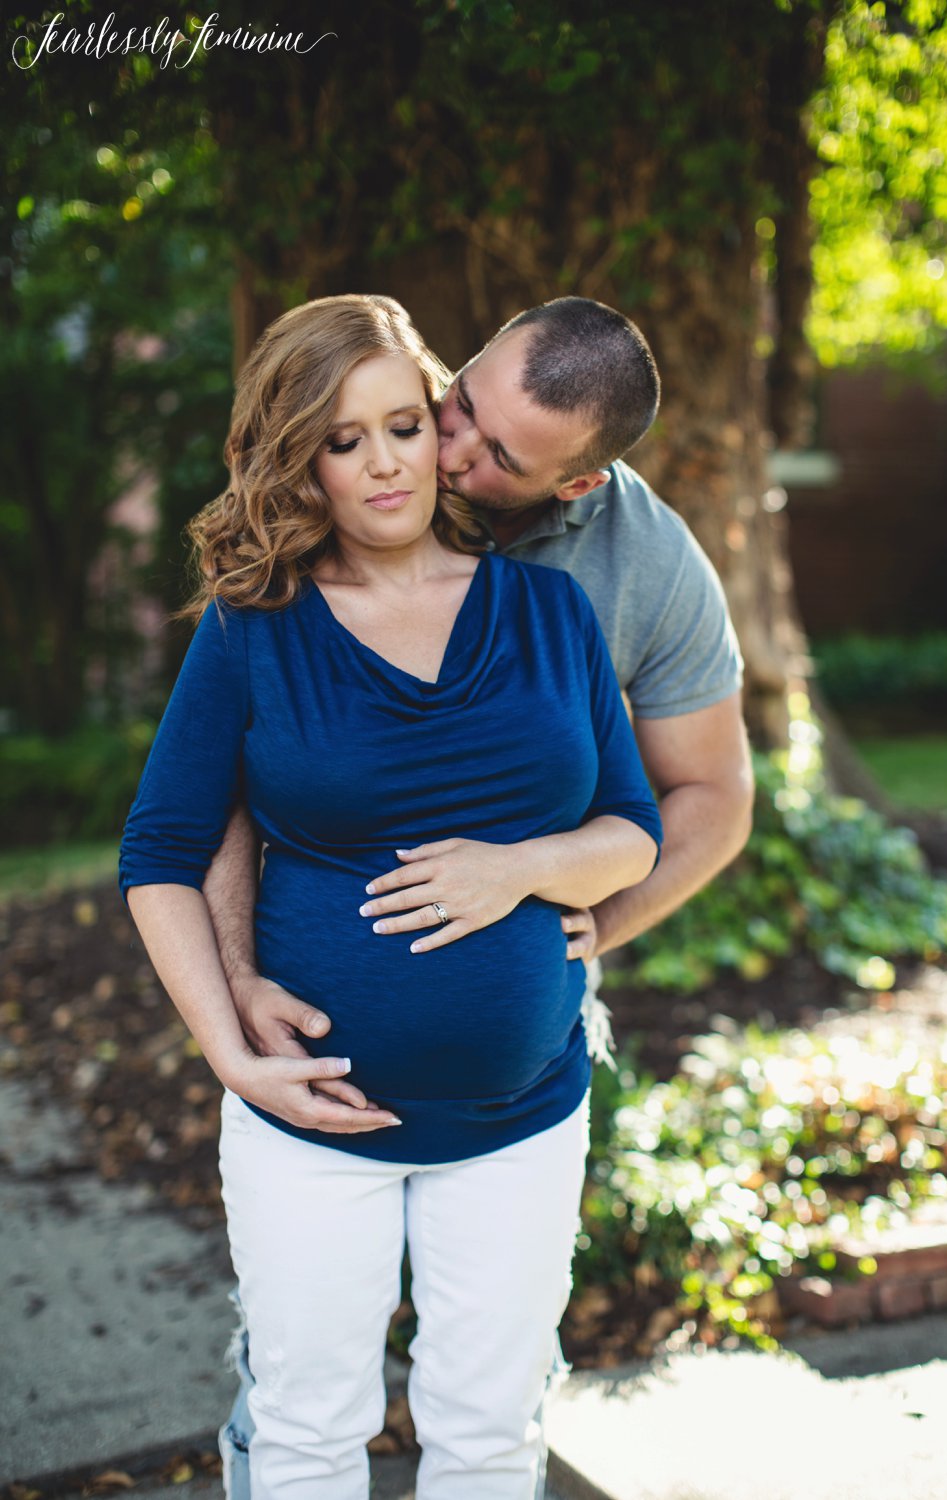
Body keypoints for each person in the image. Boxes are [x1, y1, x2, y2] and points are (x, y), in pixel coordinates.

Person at [119, 293, 666, 1499]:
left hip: (524, 1116)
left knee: (492, 1430)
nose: (382, 464)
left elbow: (633, 830)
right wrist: (232, 1051)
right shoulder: (256, 629)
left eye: (403, 427)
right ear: (302, 460)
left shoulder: (548, 612)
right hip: (315, 1118)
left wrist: (519, 867)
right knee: (310, 1429)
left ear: (436, 427)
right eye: (342, 439)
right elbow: (159, 853)